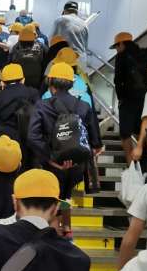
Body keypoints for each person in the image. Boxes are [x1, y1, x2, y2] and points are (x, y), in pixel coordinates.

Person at [28, 62, 103, 236]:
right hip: (76, 166)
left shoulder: (42, 105)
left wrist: (50, 158)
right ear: (71, 83)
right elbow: (95, 141)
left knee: (53, 197)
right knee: (66, 195)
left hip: (52, 165)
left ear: (50, 81)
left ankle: (53, 234)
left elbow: (33, 136)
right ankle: (67, 229)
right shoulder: (84, 106)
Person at [111, 32, 147, 165]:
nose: (116, 49)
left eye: (116, 46)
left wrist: (120, 98)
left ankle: (131, 165)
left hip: (128, 100)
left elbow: (117, 81)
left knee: (125, 134)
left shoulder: (121, 56)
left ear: (121, 44)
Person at [0, 63, 39, 147]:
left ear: (2, 83)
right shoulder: (34, 94)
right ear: (23, 80)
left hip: (3, 144)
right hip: (28, 145)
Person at [9, 24, 47, 90]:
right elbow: (47, 64)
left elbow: (10, 64)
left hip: (20, 82)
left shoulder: (15, 47)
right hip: (37, 83)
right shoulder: (42, 46)